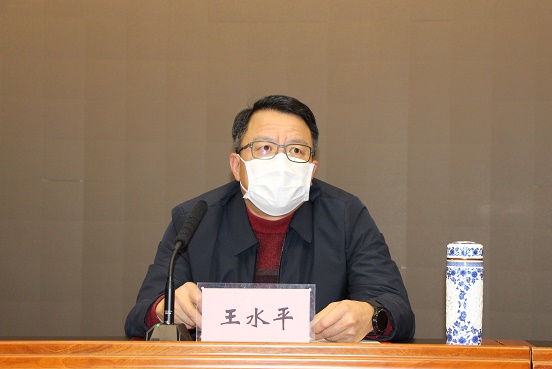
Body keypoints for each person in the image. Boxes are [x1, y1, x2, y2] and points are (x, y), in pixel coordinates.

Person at [125, 95, 415, 342]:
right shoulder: (195, 219)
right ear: (236, 166)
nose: (281, 161)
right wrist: (166, 308)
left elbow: (397, 310)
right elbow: (139, 317)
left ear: (311, 170)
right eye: (264, 148)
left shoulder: (345, 215)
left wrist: (370, 317)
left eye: (296, 150)